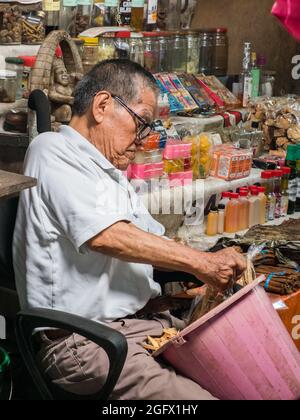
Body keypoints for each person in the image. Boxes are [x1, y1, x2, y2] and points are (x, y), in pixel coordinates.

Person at [13, 59, 246, 400]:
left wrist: (212, 259)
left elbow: (152, 240)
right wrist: (200, 263)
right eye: (142, 122)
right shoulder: (51, 151)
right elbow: (107, 236)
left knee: (240, 375)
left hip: (141, 326)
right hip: (87, 343)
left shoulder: (108, 173)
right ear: (103, 106)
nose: (143, 138)